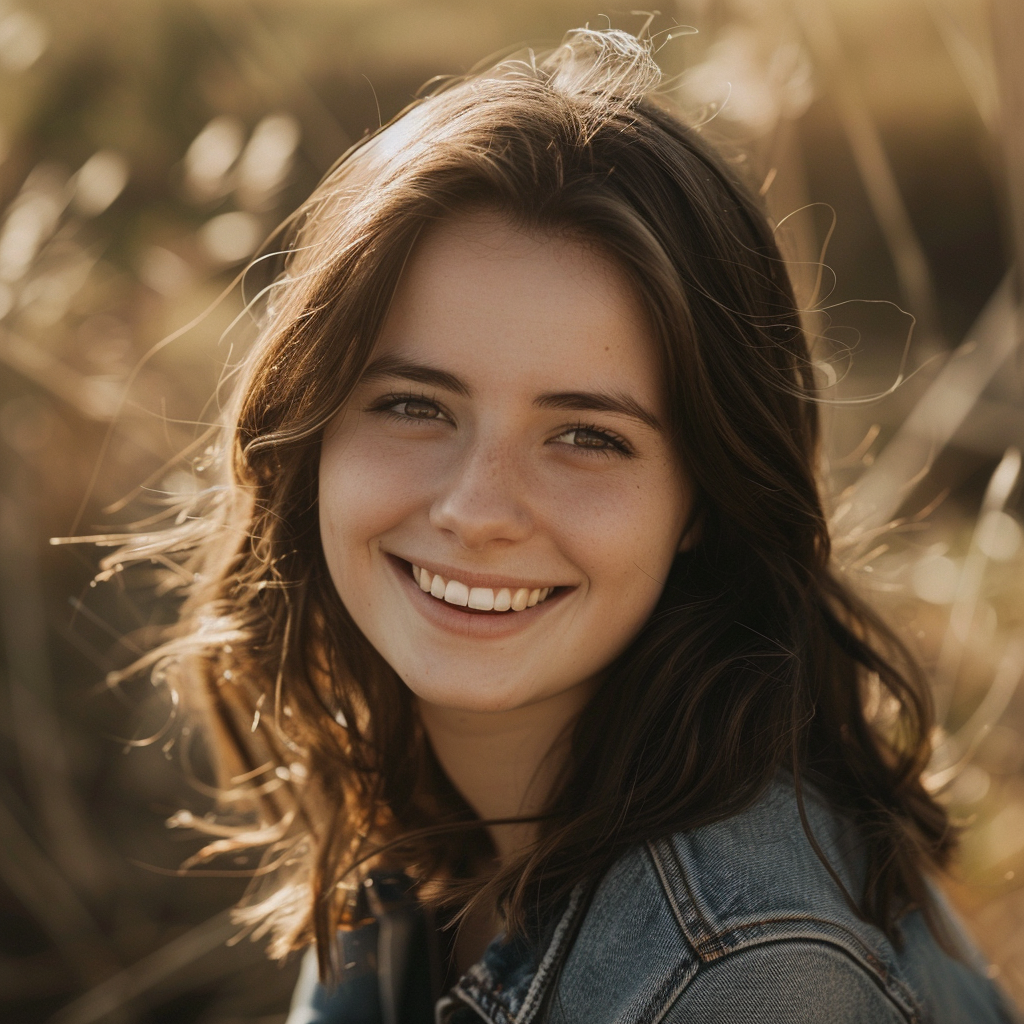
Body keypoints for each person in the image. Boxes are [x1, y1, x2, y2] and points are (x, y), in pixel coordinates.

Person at [108, 27, 1016, 1024]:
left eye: (586, 435)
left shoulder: (751, 976)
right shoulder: (425, 807)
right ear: (312, 427)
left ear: (704, 499)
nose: (474, 508)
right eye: (415, 404)